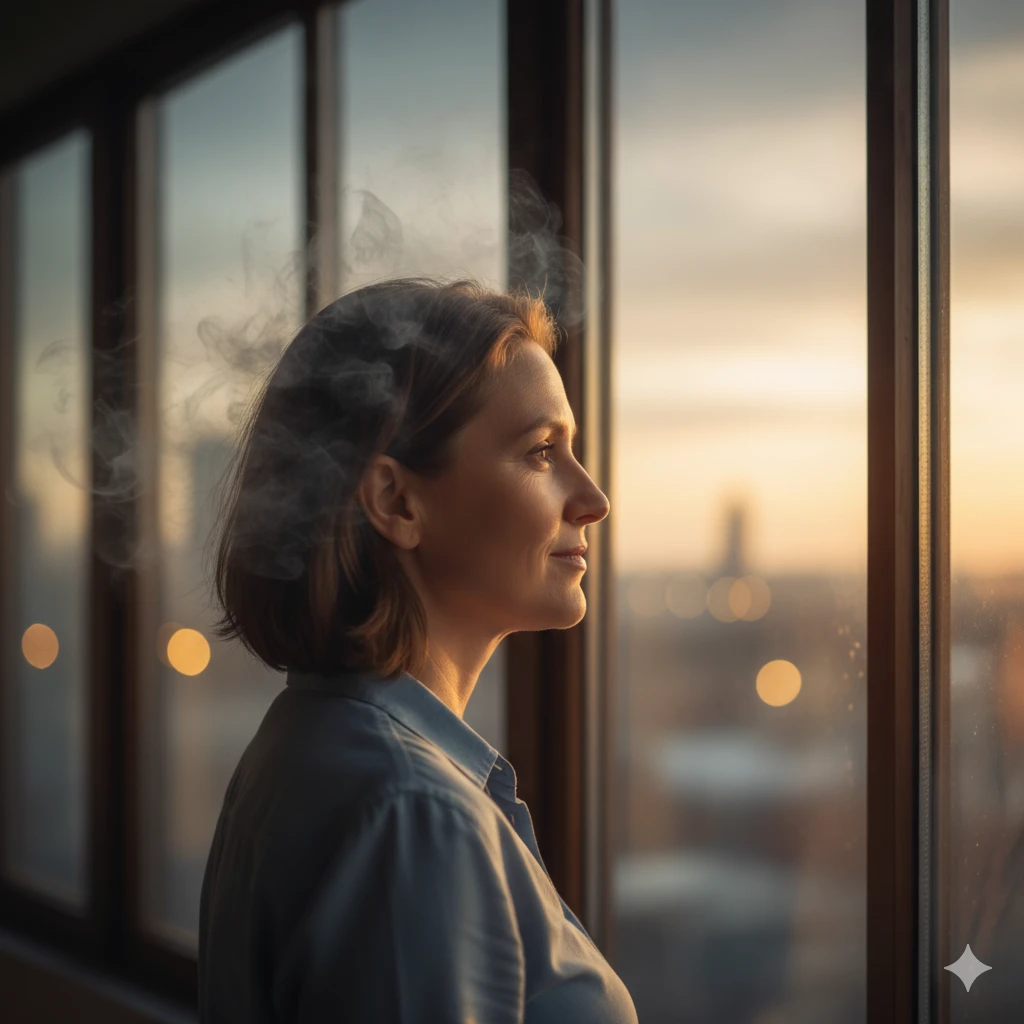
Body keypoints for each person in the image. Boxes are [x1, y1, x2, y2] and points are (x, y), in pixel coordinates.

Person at [198, 276, 637, 1023]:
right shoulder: (413, 813)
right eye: (541, 452)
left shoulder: (313, 739)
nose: (593, 497)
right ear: (397, 501)